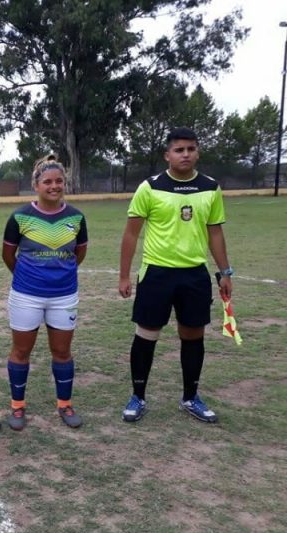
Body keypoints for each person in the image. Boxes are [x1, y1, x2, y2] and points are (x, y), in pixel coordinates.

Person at [119, 127, 233, 424]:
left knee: (193, 335)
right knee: (147, 335)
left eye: (191, 149)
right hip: (156, 273)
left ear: (198, 152)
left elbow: (215, 232)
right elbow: (131, 234)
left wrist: (225, 272)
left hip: (194, 274)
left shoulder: (210, 187)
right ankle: (138, 396)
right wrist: (124, 275)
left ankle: (190, 397)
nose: (186, 154)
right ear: (167, 154)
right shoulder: (150, 187)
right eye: (179, 150)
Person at [2, 155, 88, 430]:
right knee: (21, 351)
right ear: (36, 185)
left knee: (62, 352)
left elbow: (79, 253)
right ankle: (17, 407)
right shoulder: (20, 216)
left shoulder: (76, 217)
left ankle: (64, 404)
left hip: (64, 295)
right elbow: (8, 255)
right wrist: (30, 277)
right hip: (26, 294)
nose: (54, 186)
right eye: (47, 181)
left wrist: (59, 274)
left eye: (59, 181)